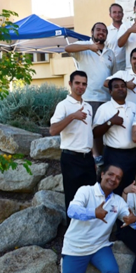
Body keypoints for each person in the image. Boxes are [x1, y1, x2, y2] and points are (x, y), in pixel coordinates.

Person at [65, 22, 117, 165]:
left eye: (104, 31)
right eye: (98, 30)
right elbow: (67, 48)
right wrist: (89, 46)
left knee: (104, 128)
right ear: (92, 32)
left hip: (106, 98)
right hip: (89, 97)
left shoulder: (110, 53)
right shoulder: (84, 47)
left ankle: (102, 158)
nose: (101, 33)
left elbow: (113, 75)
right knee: (91, 128)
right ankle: (95, 157)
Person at [50, 71, 97, 221]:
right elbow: (53, 130)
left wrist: (93, 156)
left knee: (91, 198)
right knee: (72, 198)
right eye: (77, 83)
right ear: (70, 84)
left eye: (84, 84)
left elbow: (89, 133)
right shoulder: (63, 105)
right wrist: (72, 116)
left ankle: (89, 235)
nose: (81, 86)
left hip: (87, 159)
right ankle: (71, 236)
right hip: (71, 158)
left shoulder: (88, 107)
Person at [93, 77, 136, 196]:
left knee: (134, 188)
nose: (120, 89)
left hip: (135, 155)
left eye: (123, 86)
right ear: (110, 91)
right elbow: (95, 133)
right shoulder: (104, 109)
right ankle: (115, 214)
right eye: (116, 87)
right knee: (114, 188)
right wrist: (110, 122)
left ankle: (131, 214)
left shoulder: (134, 107)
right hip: (114, 155)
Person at [106, 3, 126, 70]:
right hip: (111, 68)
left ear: (123, 14)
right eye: (114, 12)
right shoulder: (106, 31)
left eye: (119, 12)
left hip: (128, 67)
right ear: (110, 15)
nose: (117, 15)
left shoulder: (128, 28)